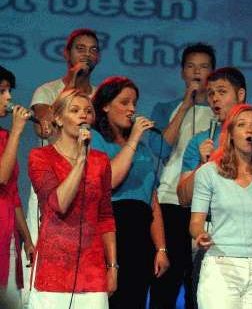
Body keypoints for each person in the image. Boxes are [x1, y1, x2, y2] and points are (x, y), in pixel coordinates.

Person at [177, 67, 252, 309]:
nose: (215, 99)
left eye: (221, 92)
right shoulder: (207, 158)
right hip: (220, 252)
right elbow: (187, 204)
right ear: (230, 134)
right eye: (210, 94)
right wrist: (205, 162)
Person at [24, 28, 101, 301]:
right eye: (81, 48)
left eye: (93, 49)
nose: (87, 54)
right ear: (66, 53)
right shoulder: (48, 90)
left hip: (89, 179)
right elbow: (45, 131)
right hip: (52, 182)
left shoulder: (101, 96)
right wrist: (73, 83)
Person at [27, 89, 116, 308]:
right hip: (52, 270)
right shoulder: (40, 157)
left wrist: (112, 266)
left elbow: (105, 217)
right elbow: (58, 204)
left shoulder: (101, 161)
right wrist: (80, 160)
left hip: (92, 271)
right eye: (74, 110)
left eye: (88, 111)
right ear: (58, 118)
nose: (83, 115)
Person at [91, 76, 169, 309]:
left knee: (135, 301)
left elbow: (152, 203)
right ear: (105, 106)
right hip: (112, 232)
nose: (132, 109)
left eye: (134, 103)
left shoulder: (143, 150)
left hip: (140, 236)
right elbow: (110, 180)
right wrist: (134, 137)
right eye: (124, 102)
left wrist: (161, 249)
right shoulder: (96, 140)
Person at [149, 43, 216, 309]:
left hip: (207, 207)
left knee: (199, 285)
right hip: (170, 201)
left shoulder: (221, 112)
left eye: (203, 66)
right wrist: (186, 105)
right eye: (191, 66)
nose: (197, 72)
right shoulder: (166, 108)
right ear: (182, 72)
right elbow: (160, 148)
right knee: (166, 282)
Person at [0, 66, 34, 309]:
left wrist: (28, 240)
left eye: (9, 91)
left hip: (8, 238)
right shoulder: (10, 137)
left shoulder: (5, 137)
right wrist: (18, 132)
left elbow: (12, 193)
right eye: (2, 91)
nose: (9, 98)